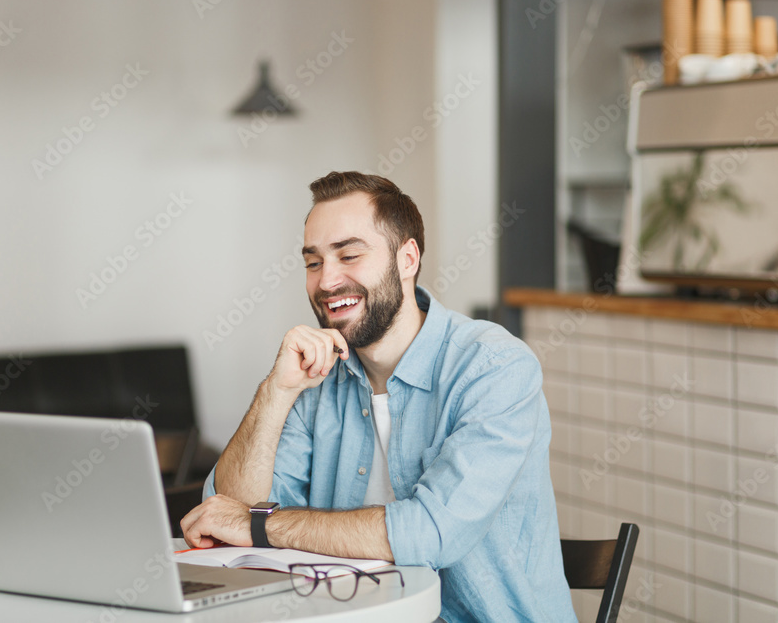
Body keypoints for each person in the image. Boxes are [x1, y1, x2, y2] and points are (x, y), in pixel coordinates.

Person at [180, 171, 577, 622]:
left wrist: (261, 525)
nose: (327, 281)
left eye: (349, 255)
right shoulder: (318, 376)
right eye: (313, 263)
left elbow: (431, 533)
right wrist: (276, 390)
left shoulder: (495, 367)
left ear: (407, 258)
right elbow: (230, 512)